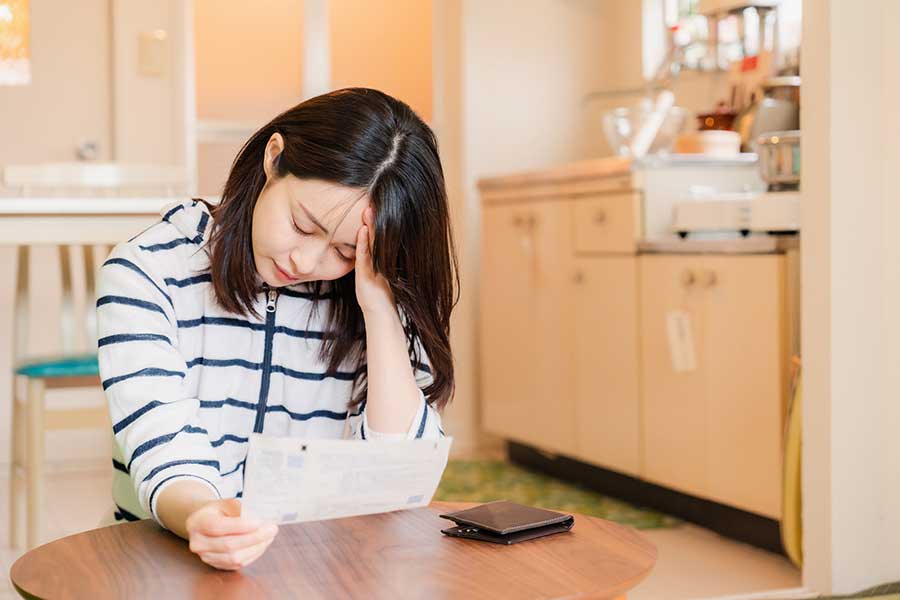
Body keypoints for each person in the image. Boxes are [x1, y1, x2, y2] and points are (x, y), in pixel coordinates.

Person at [97, 88, 457, 570]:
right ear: (274, 157)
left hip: (320, 570)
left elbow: (398, 478)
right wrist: (204, 517)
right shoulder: (147, 272)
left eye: (346, 251)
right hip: (169, 563)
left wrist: (379, 309)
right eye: (302, 224)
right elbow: (162, 440)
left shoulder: (374, 289)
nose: (306, 261)